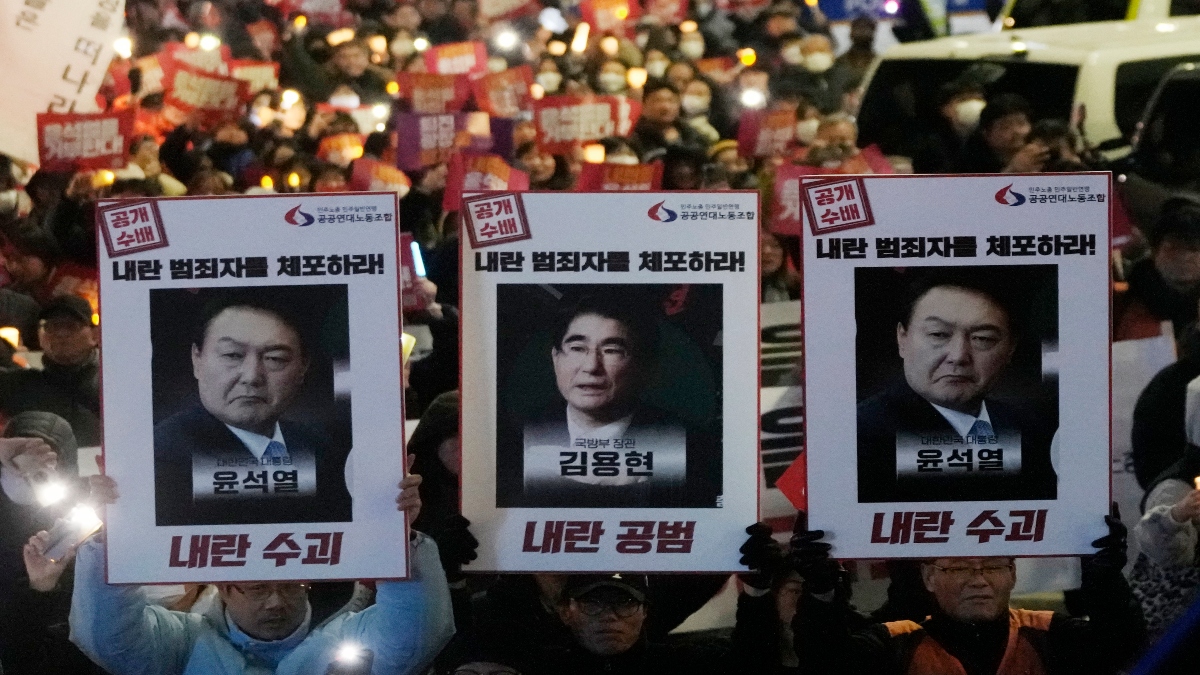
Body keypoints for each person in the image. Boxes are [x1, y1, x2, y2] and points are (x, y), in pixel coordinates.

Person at [65, 470, 456, 675]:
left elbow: (418, 632)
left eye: (291, 585)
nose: (276, 601)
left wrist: (397, 539)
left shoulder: (348, 637)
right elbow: (108, 638)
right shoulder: (180, 643)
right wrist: (114, 542)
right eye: (256, 588)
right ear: (220, 584)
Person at [793, 508, 1147, 675]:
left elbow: (1121, 648)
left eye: (993, 566)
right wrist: (822, 591)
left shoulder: (1049, 634)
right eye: (960, 567)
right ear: (929, 577)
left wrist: (1104, 579)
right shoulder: (894, 644)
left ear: (1012, 574)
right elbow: (826, 662)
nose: (979, 579)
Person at [497, 294, 720, 508]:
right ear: (556, 358)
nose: (591, 366)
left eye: (612, 350)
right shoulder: (516, 439)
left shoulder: (690, 449)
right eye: (577, 348)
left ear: (644, 367)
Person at [857, 269, 1058, 503]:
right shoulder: (859, 437)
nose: (958, 356)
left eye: (982, 338)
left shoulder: (1035, 430)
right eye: (938, 334)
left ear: (1010, 349)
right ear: (902, 338)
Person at [153, 292, 352, 526]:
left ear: (303, 368)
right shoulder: (160, 454)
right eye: (232, 355)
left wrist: (397, 513)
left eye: (275, 358)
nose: (252, 377)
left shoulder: (323, 449)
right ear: (197, 360)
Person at [0, 295, 101, 447]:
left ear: (95, 335)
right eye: (52, 327)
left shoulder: (111, 385)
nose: (60, 334)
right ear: (41, 337)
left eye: (71, 326)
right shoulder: (20, 386)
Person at [1116, 199, 1200, 342]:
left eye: (1193, 248)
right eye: (1173, 247)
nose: (1184, 257)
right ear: (1155, 252)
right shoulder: (1125, 300)